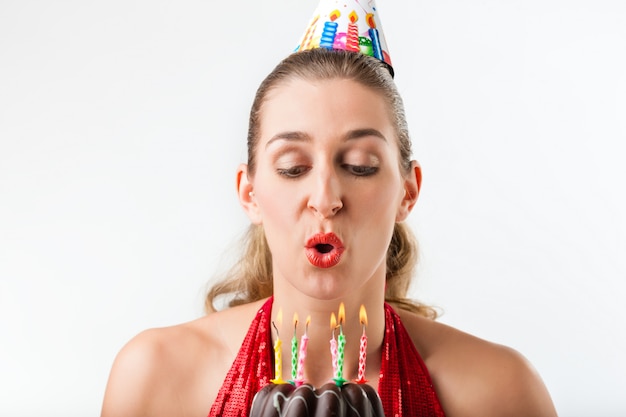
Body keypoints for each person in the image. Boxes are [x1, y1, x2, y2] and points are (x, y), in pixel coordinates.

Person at [101, 4, 558, 417]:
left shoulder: (501, 392)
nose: (325, 198)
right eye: (293, 167)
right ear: (249, 193)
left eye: (360, 166)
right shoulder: (155, 378)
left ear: (407, 192)